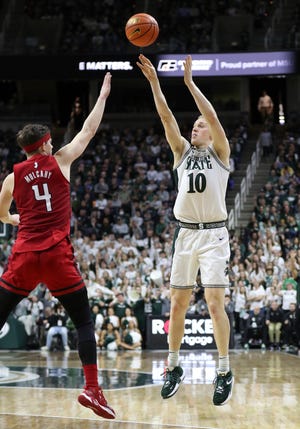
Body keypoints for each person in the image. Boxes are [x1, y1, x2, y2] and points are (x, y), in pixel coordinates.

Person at [0, 72, 116, 419]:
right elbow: (89, 130)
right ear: (47, 144)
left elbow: (1, 210)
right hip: (55, 254)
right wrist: (104, 94)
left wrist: (13, 220)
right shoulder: (61, 160)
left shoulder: (13, 175)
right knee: (83, 321)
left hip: (23, 254)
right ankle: (92, 390)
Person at [137, 54, 233, 406]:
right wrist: (154, 83)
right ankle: (174, 366)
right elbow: (166, 116)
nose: (196, 127)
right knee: (177, 305)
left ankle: (223, 371)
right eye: (193, 125)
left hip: (214, 236)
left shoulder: (221, 151)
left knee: (213, 303)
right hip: (186, 234)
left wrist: (191, 84)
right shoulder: (181, 151)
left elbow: (212, 116)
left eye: (200, 125)